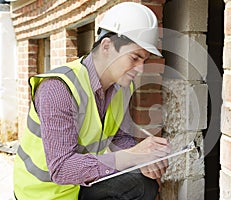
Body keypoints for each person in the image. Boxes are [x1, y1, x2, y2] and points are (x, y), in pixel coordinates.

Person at [13, 2, 171, 200]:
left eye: (144, 60)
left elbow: (119, 138)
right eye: (135, 58)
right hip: (40, 194)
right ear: (107, 46)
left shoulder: (122, 88)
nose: (140, 69)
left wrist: (143, 161)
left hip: (77, 187)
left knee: (143, 184)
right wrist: (132, 156)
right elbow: (62, 169)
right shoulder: (58, 88)